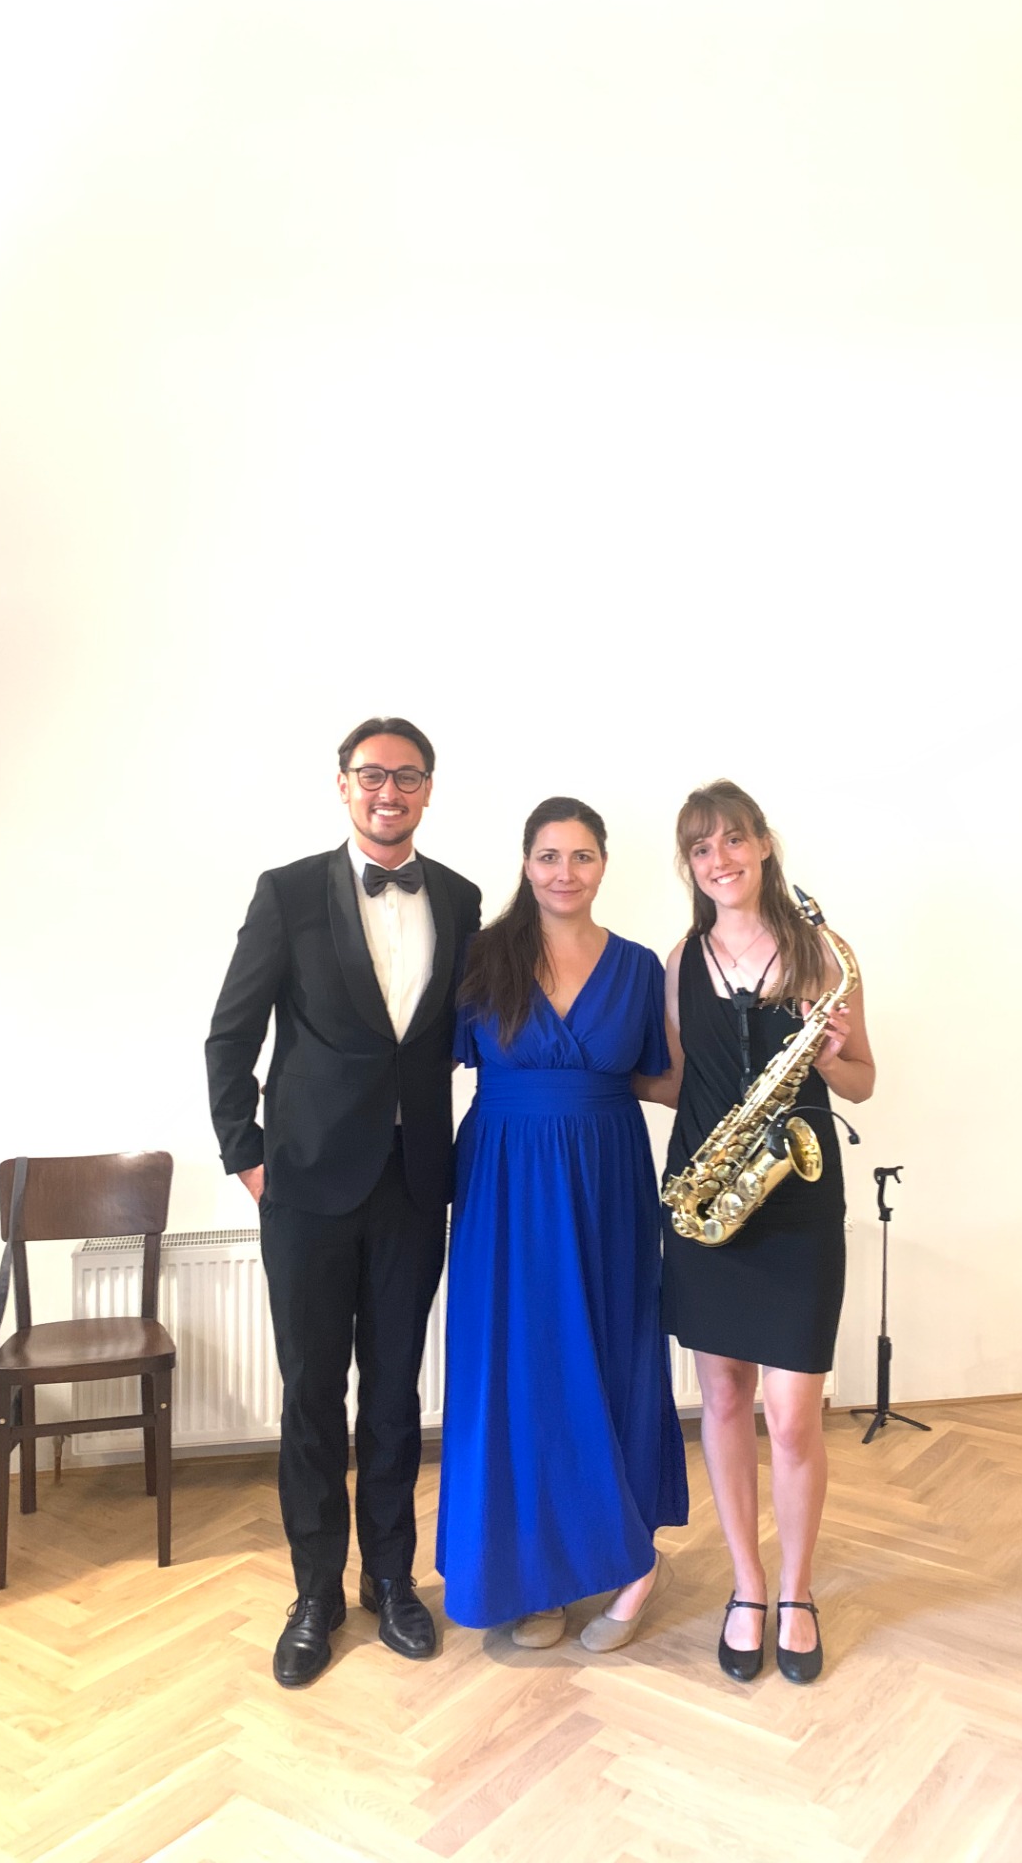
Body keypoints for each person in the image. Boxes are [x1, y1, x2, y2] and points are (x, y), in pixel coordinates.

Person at [205, 717, 481, 1687]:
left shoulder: (461, 899)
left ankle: (391, 1580)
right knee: (313, 1394)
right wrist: (248, 1158)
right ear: (343, 784)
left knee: (397, 1394)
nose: (388, 791)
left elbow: (471, 1032)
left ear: (429, 789)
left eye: (407, 776)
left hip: (413, 1186)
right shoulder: (287, 893)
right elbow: (229, 1035)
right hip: (307, 1189)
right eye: (372, 775)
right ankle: (316, 1591)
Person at [437, 796, 688, 1649]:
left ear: (603, 864)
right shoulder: (482, 958)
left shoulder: (640, 967)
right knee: (519, 1366)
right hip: (503, 1180)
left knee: (613, 1353)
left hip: (607, 1178)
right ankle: (534, 1573)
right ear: (526, 863)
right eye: (549, 856)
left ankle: (633, 1562)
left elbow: (668, 1081)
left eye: (582, 856)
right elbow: (420, 1066)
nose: (564, 872)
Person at [660, 781, 874, 1684]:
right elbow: (676, 1080)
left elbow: (862, 1082)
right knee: (722, 1399)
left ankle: (798, 1588)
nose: (721, 860)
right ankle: (748, 1586)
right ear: (691, 865)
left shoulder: (821, 952)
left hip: (797, 1199)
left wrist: (829, 1056)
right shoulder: (681, 959)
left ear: (764, 844)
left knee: (790, 1416)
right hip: (711, 1199)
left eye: (734, 840)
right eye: (702, 848)